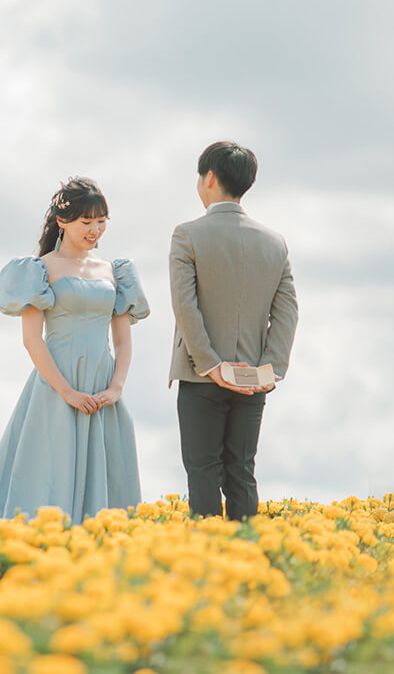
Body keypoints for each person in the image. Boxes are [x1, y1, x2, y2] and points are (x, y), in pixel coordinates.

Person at [0, 177, 148, 524]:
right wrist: (67, 392)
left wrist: (116, 387)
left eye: (101, 222)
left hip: (101, 389)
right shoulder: (40, 269)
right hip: (55, 387)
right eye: (87, 222)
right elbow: (32, 339)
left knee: (107, 480)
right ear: (62, 222)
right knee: (46, 475)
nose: (95, 230)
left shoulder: (114, 271)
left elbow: (124, 340)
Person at [169, 141, 298, 521]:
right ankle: (247, 559)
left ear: (209, 178)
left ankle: (211, 566)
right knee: (242, 472)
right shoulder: (274, 242)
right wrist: (270, 369)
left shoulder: (186, 234)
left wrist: (210, 365)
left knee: (203, 472)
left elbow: (185, 306)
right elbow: (287, 309)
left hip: (201, 377)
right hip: (254, 379)